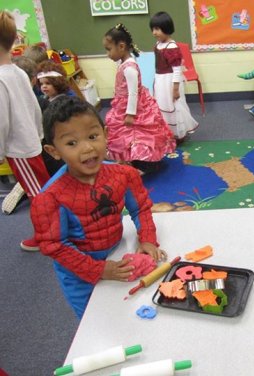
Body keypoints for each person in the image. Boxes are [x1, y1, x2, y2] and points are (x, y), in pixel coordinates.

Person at [31, 96, 168, 319]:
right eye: (71, 143)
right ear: (54, 151)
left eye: (93, 136)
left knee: (126, 312)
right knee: (96, 321)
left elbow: (141, 207)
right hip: (77, 275)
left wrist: (147, 239)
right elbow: (54, 246)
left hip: (118, 251)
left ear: (106, 134)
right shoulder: (49, 198)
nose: (87, 148)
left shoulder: (125, 174)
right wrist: (99, 270)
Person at [0, 11, 50, 251]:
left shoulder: (1, 77)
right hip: (30, 141)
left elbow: (1, 122)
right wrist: (38, 133)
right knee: (42, 189)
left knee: (37, 195)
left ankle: (46, 236)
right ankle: (53, 230)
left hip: (19, 148)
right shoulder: (18, 71)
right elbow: (34, 108)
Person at [103, 23, 176, 173]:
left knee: (137, 134)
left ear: (121, 46)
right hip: (124, 104)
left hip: (133, 108)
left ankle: (144, 164)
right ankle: (131, 159)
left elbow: (133, 93)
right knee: (127, 135)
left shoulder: (129, 67)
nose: (107, 54)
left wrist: (130, 114)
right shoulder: (124, 63)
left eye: (108, 49)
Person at [150, 12, 199, 142]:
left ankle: (178, 134)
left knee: (174, 105)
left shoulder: (171, 47)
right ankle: (167, 132)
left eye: (157, 29)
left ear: (166, 28)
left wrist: (175, 88)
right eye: (153, 29)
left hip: (170, 81)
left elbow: (177, 70)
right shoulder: (158, 45)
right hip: (160, 80)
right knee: (162, 104)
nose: (154, 32)